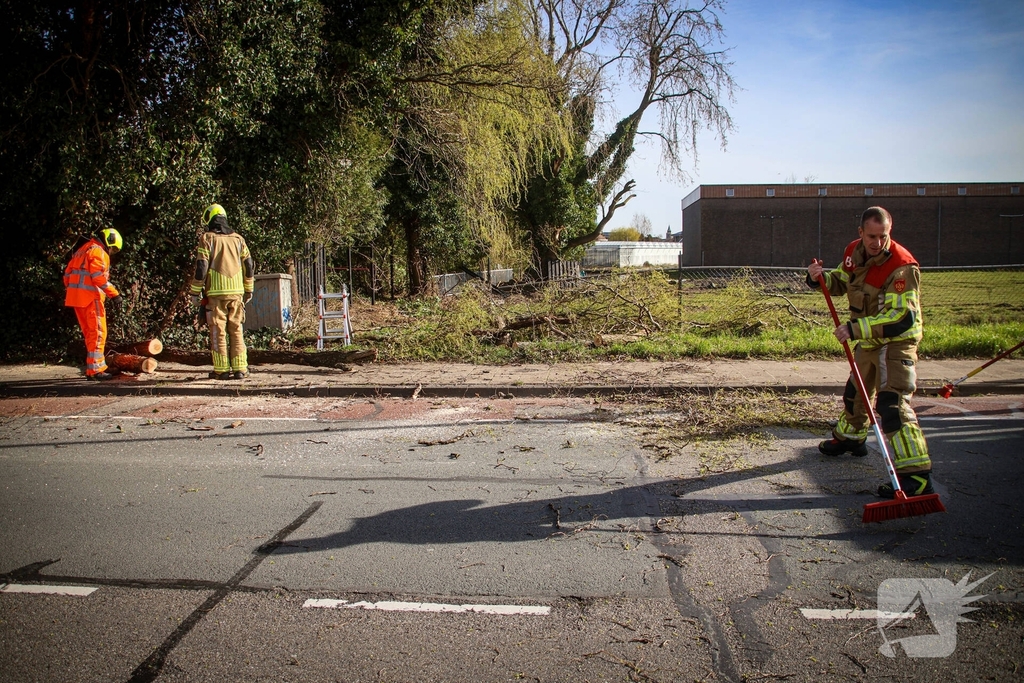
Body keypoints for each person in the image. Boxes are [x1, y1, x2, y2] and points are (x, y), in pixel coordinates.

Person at [807, 206, 933, 498]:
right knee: (856, 393)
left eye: (883, 236)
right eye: (872, 236)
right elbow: (841, 281)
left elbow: (901, 317)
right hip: (869, 339)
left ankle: (917, 477)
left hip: (896, 341)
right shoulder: (854, 252)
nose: (877, 242)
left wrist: (855, 329)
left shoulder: (902, 266)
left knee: (892, 406)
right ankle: (851, 438)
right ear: (861, 233)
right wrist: (818, 277)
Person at [189, 204, 255, 380]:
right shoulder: (239, 239)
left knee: (218, 332)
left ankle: (221, 371)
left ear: (210, 219)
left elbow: (201, 267)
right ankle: (241, 369)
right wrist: (249, 289)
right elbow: (249, 265)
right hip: (237, 293)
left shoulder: (207, 238)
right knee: (237, 329)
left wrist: (195, 292)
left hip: (215, 293)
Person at [64, 228, 124, 380]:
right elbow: (98, 277)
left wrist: (75, 290)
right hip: (91, 298)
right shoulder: (99, 251)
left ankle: (95, 368)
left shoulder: (82, 249)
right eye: (113, 249)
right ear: (110, 241)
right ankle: (96, 370)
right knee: (98, 333)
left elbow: (67, 274)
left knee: (90, 334)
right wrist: (115, 294)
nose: (111, 252)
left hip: (76, 299)